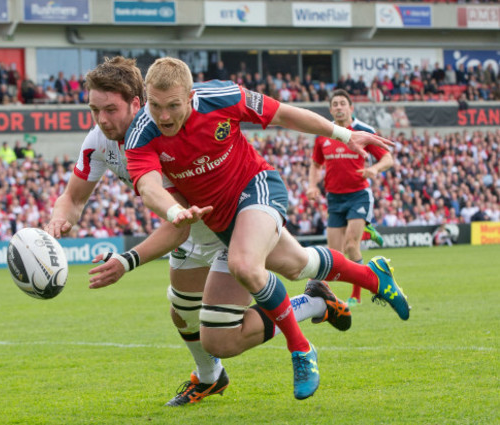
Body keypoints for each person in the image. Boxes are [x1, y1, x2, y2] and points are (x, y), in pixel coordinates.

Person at [44, 57, 352, 406]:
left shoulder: (160, 131)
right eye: (94, 110)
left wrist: (128, 261)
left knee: (288, 273)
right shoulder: (99, 142)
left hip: (223, 222)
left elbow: (174, 223)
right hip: (188, 229)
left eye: (110, 110)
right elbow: (72, 197)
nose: (101, 120)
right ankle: (211, 377)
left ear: (137, 102)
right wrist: (57, 220)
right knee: (182, 310)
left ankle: (312, 303)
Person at [124, 57, 410, 400]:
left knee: (244, 264)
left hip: (256, 187)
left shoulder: (222, 97)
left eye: (173, 106)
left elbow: (283, 113)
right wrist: (173, 210)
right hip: (222, 221)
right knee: (288, 274)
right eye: (155, 105)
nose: (164, 116)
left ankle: (301, 348)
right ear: (146, 96)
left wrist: (343, 134)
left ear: (190, 96)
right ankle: (373, 277)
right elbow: (148, 186)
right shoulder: (141, 131)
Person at [306, 89, 393, 307]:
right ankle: (331, 298)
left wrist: (375, 169)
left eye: (342, 103)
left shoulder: (363, 131)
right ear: (330, 109)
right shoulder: (323, 133)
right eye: (334, 104)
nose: (338, 107)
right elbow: (316, 164)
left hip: (358, 195)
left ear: (351, 108)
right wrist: (312, 185)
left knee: (351, 246)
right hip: (334, 199)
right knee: (335, 254)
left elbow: (388, 158)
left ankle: (356, 296)